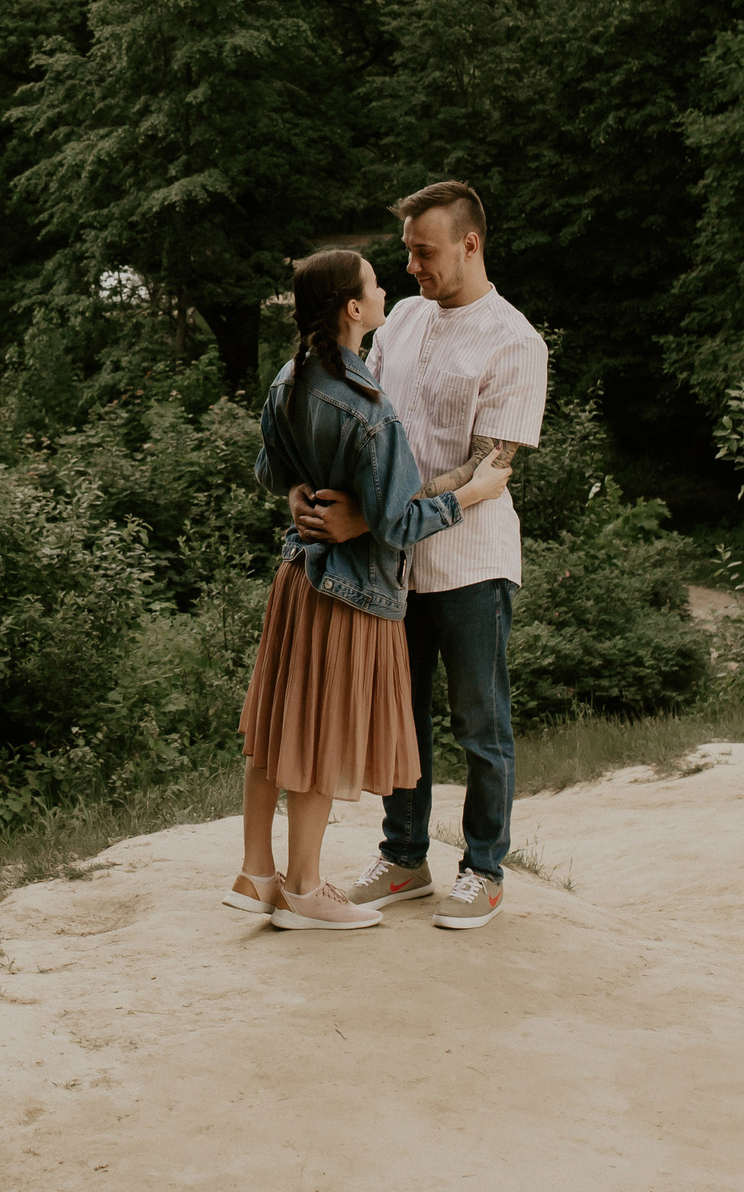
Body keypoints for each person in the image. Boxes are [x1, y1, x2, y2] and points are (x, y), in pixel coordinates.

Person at [231, 248, 513, 930]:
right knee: (321, 733)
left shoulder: (288, 378)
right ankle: (305, 888)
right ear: (353, 309)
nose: (388, 287)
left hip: (296, 575)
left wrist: (298, 488)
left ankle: (256, 872)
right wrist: (472, 493)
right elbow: (395, 523)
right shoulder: (370, 410)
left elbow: (269, 466)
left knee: (276, 724)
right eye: (374, 283)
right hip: (352, 590)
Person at [292, 181, 547, 930]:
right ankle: (405, 857)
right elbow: (358, 417)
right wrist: (316, 487)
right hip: (391, 565)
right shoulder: (399, 320)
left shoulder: (514, 341)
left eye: (423, 250)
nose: (410, 265)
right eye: (405, 250)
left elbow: (489, 468)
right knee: (399, 717)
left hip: (471, 562)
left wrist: (369, 514)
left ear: (470, 243)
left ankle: (484, 869)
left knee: (480, 721)